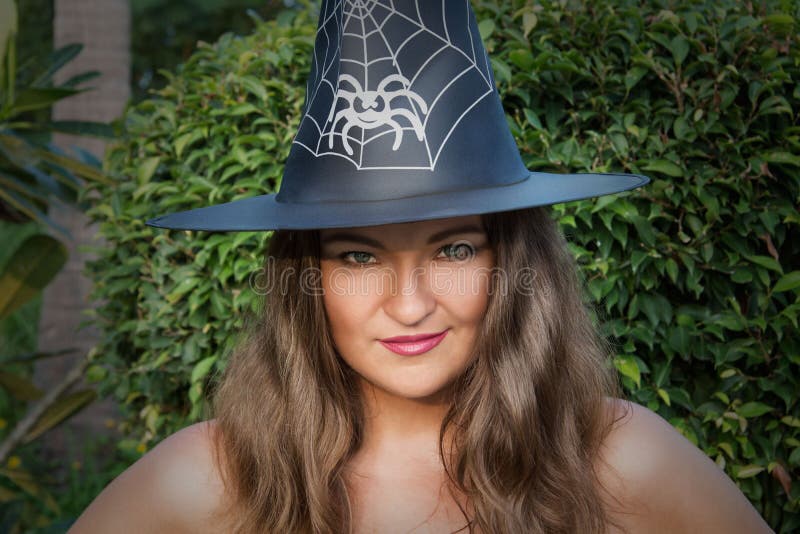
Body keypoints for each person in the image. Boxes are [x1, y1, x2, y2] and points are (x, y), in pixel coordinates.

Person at [69, 1, 774, 533]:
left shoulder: (620, 461)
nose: (410, 305)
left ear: (513, 262)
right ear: (305, 280)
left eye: (455, 249)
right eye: (357, 255)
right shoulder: (212, 478)